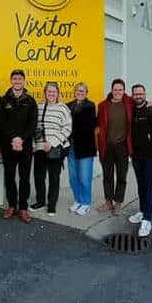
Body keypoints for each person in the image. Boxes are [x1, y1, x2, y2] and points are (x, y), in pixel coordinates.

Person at [0, 69, 38, 223]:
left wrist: (22, 139)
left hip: (25, 146)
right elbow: (1, 122)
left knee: (25, 177)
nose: (17, 81)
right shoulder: (4, 100)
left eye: (20, 78)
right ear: (11, 80)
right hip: (9, 145)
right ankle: (12, 206)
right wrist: (13, 138)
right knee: (9, 176)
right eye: (15, 78)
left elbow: (32, 124)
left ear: (24, 81)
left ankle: (23, 208)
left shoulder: (30, 101)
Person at [30, 82, 72, 216]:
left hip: (55, 148)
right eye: (49, 91)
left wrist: (53, 142)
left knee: (54, 177)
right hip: (40, 148)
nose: (51, 94)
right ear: (45, 93)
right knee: (39, 176)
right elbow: (33, 127)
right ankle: (40, 201)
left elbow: (67, 128)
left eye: (54, 92)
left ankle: (52, 204)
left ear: (58, 93)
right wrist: (35, 145)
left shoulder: (63, 108)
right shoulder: (39, 107)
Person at [128, 84, 152, 237]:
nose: (138, 96)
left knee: (149, 186)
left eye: (141, 94)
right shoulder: (131, 110)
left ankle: (147, 220)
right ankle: (142, 211)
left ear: (145, 94)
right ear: (132, 95)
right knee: (141, 185)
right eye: (135, 94)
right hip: (136, 156)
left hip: (150, 157)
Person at [96, 79, 134, 216]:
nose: (118, 92)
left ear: (124, 91)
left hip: (123, 145)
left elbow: (142, 102)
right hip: (107, 145)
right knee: (107, 175)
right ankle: (108, 202)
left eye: (120, 89)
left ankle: (118, 202)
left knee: (122, 175)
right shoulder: (102, 106)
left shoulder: (129, 103)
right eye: (115, 89)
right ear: (111, 90)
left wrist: (150, 104)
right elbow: (97, 124)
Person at [66, 82, 97, 216]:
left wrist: (70, 128)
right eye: (78, 90)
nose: (80, 92)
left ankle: (86, 203)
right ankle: (78, 199)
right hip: (71, 146)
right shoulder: (68, 105)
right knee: (73, 176)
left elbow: (87, 125)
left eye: (83, 91)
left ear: (86, 93)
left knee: (85, 177)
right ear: (74, 92)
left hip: (85, 147)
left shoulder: (89, 106)